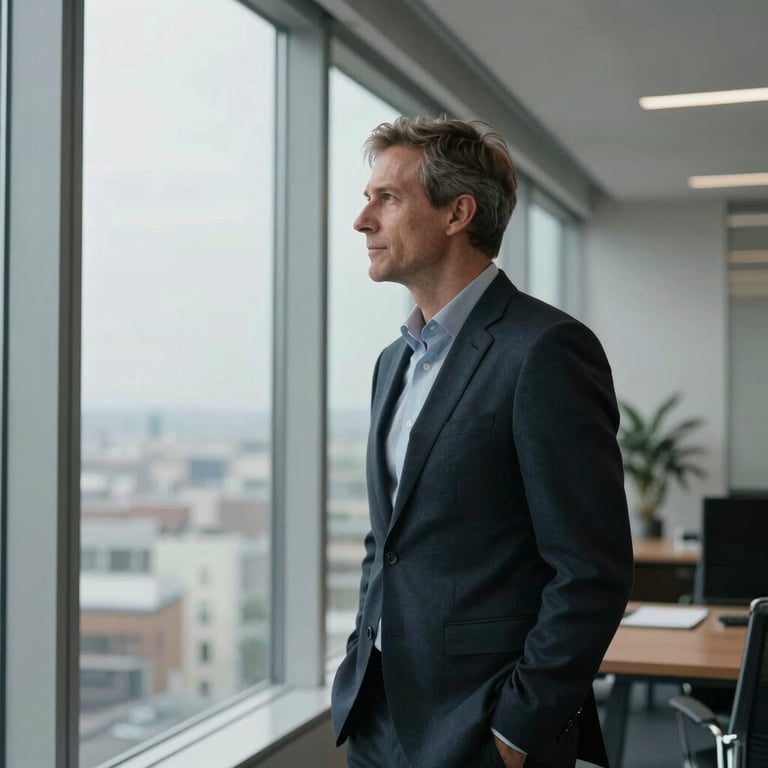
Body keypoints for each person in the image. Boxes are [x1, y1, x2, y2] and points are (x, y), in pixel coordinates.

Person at [331, 116, 633, 768]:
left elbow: (590, 569)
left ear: (456, 213)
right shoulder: (394, 362)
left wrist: (517, 729)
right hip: (379, 715)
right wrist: (363, 650)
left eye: (387, 198)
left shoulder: (545, 351)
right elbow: (389, 542)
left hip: (480, 723)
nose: (362, 220)